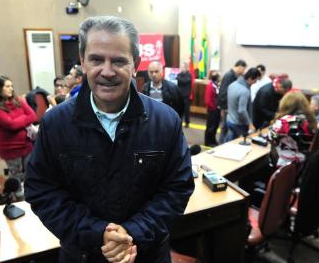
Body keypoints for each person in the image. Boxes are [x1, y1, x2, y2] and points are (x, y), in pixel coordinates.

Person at [25, 16, 194, 263]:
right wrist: (98, 233)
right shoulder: (55, 123)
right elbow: (41, 191)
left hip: (147, 254)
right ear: (83, 61)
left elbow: (177, 188)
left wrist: (133, 233)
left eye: (118, 60)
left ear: (135, 64)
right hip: (82, 255)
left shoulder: (166, 121)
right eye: (96, 59)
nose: (107, 71)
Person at [0, 75, 37, 182]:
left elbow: (33, 115)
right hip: (10, 148)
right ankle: (17, 197)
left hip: (27, 144)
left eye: (12, 86)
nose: (11, 88)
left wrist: (18, 120)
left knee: (31, 173)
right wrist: (24, 117)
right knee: (16, 177)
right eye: (7, 86)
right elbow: (12, 125)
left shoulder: (17, 100)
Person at [269, 91, 317, 168]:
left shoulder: (283, 122)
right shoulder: (311, 120)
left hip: (286, 166)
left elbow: (270, 137)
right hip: (306, 165)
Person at [225, 68, 260, 141]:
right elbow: (242, 110)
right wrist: (250, 124)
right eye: (255, 80)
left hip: (229, 119)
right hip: (238, 124)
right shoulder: (244, 91)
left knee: (229, 142)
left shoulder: (232, 84)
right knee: (238, 145)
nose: (255, 82)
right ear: (250, 78)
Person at [217, 60, 247, 143]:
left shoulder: (233, 75)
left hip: (229, 107)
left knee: (226, 128)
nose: (243, 71)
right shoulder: (229, 76)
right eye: (243, 69)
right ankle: (221, 145)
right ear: (240, 66)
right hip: (227, 107)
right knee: (225, 128)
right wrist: (225, 107)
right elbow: (223, 93)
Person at [204, 71, 221, 146]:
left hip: (217, 109)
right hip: (212, 109)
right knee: (210, 126)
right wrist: (213, 107)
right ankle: (208, 142)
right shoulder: (210, 85)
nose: (221, 78)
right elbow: (207, 100)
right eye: (219, 77)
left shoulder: (216, 85)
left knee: (215, 126)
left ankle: (213, 140)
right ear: (216, 78)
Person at [176, 61, 192, 127]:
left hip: (186, 94)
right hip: (179, 94)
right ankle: (179, 121)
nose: (181, 68)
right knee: (179, 108)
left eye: (182, 67)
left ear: (185, 67)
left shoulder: (189, 75)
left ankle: (187, 122)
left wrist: (178, 78)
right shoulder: (179, 74)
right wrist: (178, 78)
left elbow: (185, 81)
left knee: (186, 109)